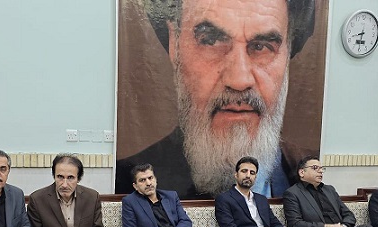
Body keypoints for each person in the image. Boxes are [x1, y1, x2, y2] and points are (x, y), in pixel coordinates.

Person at [115, 0, 317, 198]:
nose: (239, 80)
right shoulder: (126, 181)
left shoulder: (308, 180)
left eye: (261, 46)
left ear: (287, 52)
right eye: (211, 41)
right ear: (174, 43)